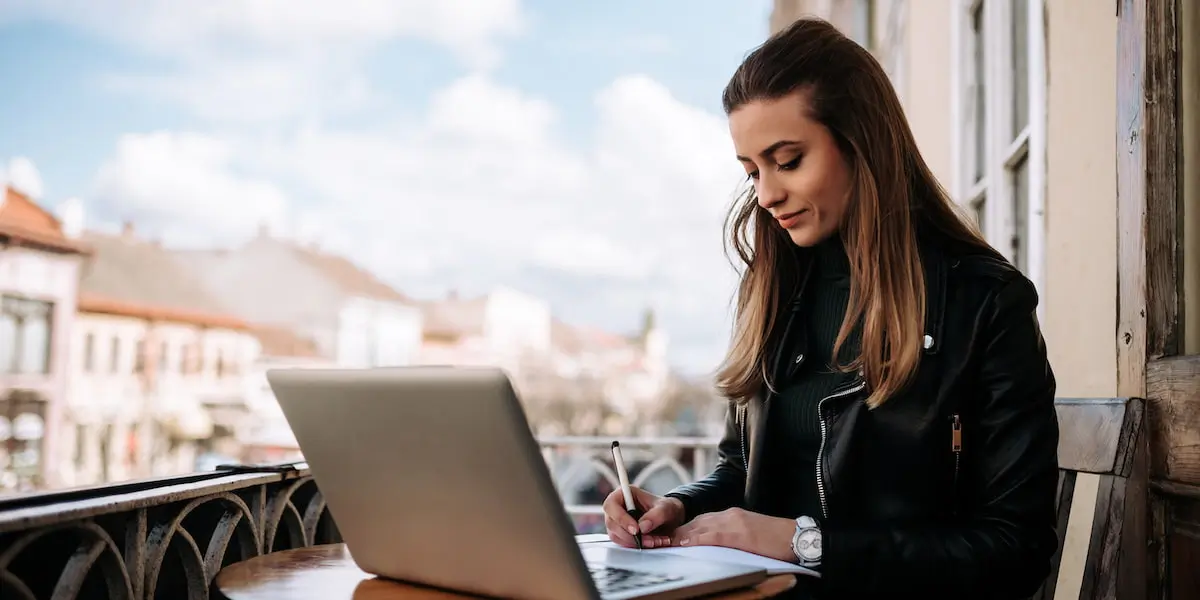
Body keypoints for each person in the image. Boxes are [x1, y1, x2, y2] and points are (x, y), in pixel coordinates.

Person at [602, 17, 1059, 600]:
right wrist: (675, 506)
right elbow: (742, 470)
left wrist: (804, 542)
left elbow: (1013, 550)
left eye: (788, 160)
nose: (766, 195)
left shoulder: (985, 304)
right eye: (752, 172)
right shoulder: (773, 291)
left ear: (861, 144)